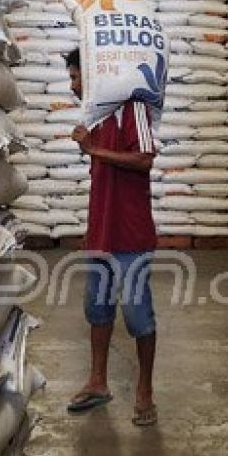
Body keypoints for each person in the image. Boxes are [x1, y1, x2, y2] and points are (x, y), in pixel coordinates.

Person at [63, 48, 159, 427]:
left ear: (95, 74)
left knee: (138, 314)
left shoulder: (132, 107)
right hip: (101, 228)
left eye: (76, 77)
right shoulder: (94, 116)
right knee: (97, 309)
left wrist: (93, 150)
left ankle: (145, 391)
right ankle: (98, 381)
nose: (73, 86)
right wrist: (91, 147)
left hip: (130, 231)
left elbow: (146, 157)